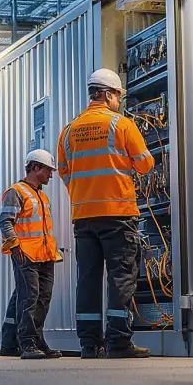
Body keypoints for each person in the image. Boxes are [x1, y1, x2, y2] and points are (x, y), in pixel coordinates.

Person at [56, 68, 153, 359]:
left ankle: (89, 344)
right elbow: (145, 165)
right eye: (118, 96)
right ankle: (119, 343)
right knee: (120, 277)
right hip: (117, 213)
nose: (119, 102)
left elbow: (64, 172)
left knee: (87, 279)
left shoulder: (68, 131)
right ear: (108, 94)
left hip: (83, 217)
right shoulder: (121, 125)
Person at [0, 149, 64, 360]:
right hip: (26, 255)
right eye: (48, 171)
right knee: (29, 299)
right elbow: (5, 222)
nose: (51, 175)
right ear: (36, 168)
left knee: (42, 299)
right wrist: (15, 247)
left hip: (45, 255)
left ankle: (32, 340)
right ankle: (27, 344)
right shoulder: (16, 192)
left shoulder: (41, 195)